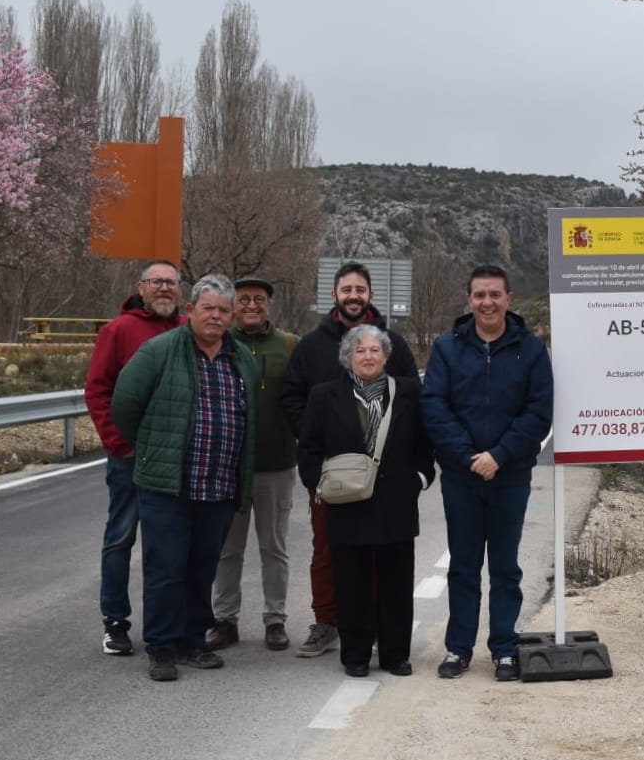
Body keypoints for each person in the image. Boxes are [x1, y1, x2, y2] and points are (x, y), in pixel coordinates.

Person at [111, 275, 257, 681]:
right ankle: (161, 647)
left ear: (231, 316)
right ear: (190, 310)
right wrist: (150, 448)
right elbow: (125, 404)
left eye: (223, 310)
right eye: (208, 307)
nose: (216, 316)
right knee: (165, 568)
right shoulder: (159, 351)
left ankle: (193, 641)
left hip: (218, 485)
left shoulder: (241, 358)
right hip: (167, 486)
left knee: (202, 568)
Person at [282, 262, 419, 658]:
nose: (353, 296)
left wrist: (416, 473)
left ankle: (373, 629)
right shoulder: (311, 346)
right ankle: (327, 622)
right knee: (328, 551)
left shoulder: (393, 344)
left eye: (360, 289)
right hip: (333, 475)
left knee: (381, 555)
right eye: (347, 289)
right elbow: (291, 396)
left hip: (385, 476)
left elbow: (414, 401)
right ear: (334, 295)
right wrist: (317, 434)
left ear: (370, 295)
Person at [422, 264, 553, 682]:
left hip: (510, 478)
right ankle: (458, 649)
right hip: (461, 478)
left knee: (505, 568)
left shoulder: (531, 350)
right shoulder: (447, 348)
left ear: (509, 299)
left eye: (495, 294)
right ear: (469, 300)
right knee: (463, 566)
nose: (487, 302)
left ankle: (504, 649)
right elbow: (434, 407)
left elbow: (538, 412)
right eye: (480, 295)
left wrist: (498, 455)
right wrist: (468, 457)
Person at [298, 325, 434, 677]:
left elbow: (426, 441)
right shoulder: (324, 395)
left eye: (375, 350)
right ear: (348, 357)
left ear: (386, 356)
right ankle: (355, 655)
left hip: (396, 502)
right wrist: (318, 487)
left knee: (396, 583)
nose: (368, 356)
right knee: (351, 583)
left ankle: (395, 654)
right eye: (360, 351)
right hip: (346, 504)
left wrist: (421, 478)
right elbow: (309, 448)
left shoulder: (408, 392)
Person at [84, 259, 185, 656]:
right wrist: (117, 443)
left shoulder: (187, 330)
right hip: (131, 456)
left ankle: (170, 624)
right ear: (140, 288)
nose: (164, 288)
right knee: (121, 537)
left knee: (171, 543)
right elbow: (97, 390)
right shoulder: (118, 330)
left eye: (171, 282)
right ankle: (115, 621)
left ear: (180, 290)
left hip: (176, 456)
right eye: (155, 281)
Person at [207, 275, 299, 653]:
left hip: (277, 465)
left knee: (273, 548)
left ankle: (275, 620)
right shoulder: (219, 343)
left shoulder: (289, 345)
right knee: (227, 550)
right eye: (243, 299)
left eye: (258, 299)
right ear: (232, 306)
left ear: (268, 305)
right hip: (229, 467)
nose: (251, 305)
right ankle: (224, 619)